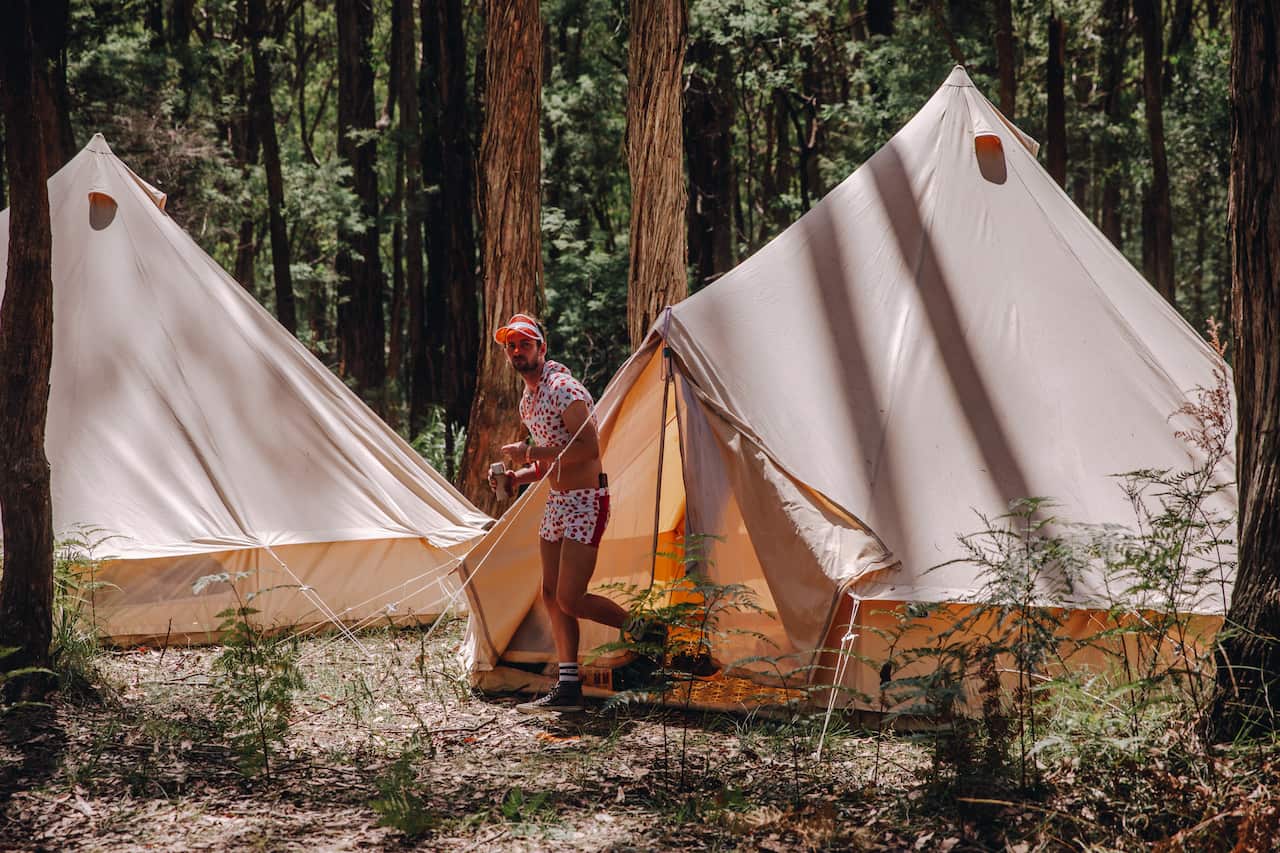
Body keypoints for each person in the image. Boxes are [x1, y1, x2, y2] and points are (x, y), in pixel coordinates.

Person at [489, 313, 633, 713]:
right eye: (511, 347)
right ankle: (569, 686)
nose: (518, 352)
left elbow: (589, 449)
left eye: (525, 344)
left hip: (587, 499)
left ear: (542, 348)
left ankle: (650, 634)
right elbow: (553, 460)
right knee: (551, 595)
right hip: (557, 502)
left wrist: (530, 452)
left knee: (571, 598)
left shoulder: (563, 388)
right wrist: (517, 477)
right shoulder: (528, 399)